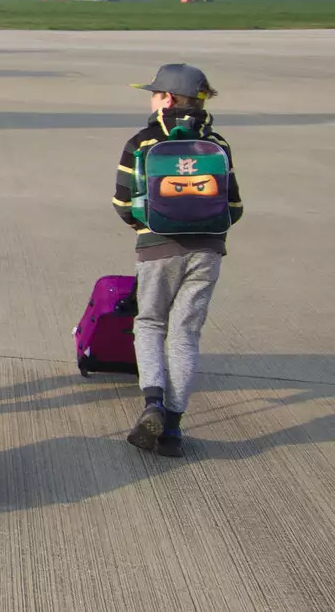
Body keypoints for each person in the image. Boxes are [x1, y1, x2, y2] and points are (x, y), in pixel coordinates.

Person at [115, 64, 243, 457]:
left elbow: (122, 204)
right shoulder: (218, 144)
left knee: (151, 322)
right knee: (186, 333)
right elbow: (234, 207)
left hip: (157, 248)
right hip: (207, 251)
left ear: (167, 100)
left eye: (154, 93)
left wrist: (151, 225)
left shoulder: (142, 142)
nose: (152, 99)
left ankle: (152, 401)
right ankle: (172, 429)